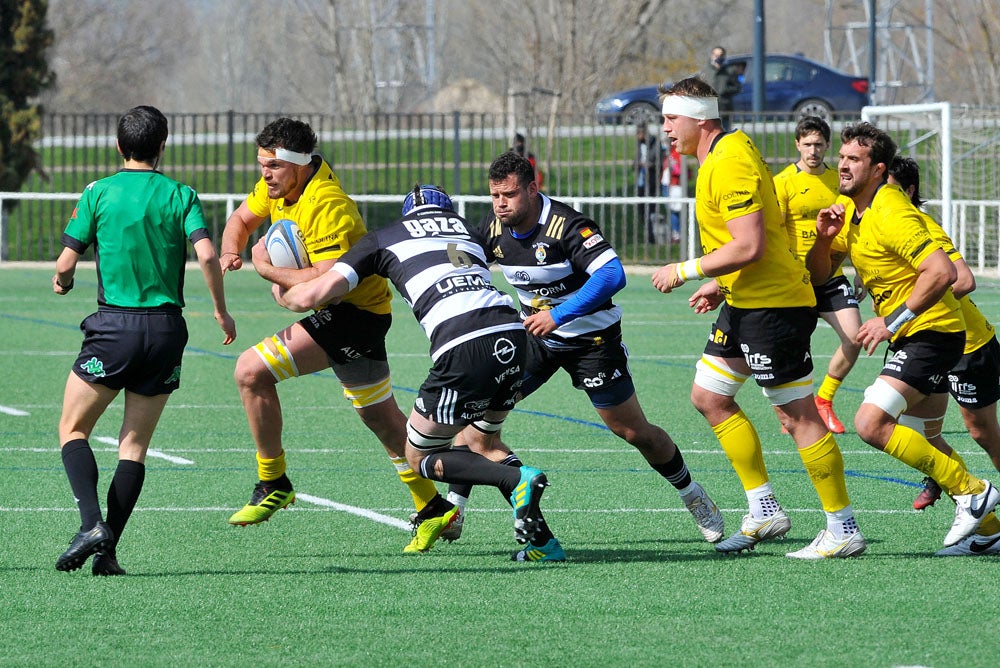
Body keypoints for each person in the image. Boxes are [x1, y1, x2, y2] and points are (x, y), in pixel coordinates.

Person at [439, 150, 725, 557]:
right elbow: (465, 263)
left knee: (632, 431)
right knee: (477, 412)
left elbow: (613, 275)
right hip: (535, 341)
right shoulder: (493, 227)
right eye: (495, 196)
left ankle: (692, 493)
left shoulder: (567, 225)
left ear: (533, 189)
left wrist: (559, 314)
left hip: (593, 343)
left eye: (510, 195)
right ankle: (456, 509)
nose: (501, 204)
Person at [257, 184, 563, 560]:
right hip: (515, 339)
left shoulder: (383, 238)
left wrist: (271, 275)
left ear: (407, 215)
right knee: (485, 443)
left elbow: (309, 298)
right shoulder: (468, 229)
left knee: (419, 456)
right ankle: (543, 544)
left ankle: (518, 478)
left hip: (463, 345)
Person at [652, 77, 865, 560]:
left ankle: (843, 527)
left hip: (775, 306)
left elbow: (750, 244)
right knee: (709, 396)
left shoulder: (728, 163)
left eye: (671, 118)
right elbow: (757, 238)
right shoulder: (724, 150)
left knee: (797, 418)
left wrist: (685, 270)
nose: (665, 128)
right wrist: (720, 282)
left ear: (699, 119)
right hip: (747, 300)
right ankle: (764, 509)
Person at [219, 118, 443, 538]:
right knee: (381, 419)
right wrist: (232, 250)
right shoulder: (280, 186)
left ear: (297, 165)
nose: (264, 174)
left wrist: (265, 268)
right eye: (260, 164)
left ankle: (273, 482)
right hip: (358, 316)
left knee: (250, 372)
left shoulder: (328, 202)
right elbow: (241, 219)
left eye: (272, 165)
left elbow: (325, 285)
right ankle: (432, 507)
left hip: (355, 316)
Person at [53, 105, 237, 576]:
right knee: (132, 446)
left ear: (119, 146)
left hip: (115, 328)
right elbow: (208, 254)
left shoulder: (98, 192)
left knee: (73, 430)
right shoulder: (182, 194)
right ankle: (108, 554)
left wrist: (63, 282)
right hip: (166, 331)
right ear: (162, 145)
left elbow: (66, 262)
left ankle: (91, 524)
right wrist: (219, 308)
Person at [806, 122, 1000, 550]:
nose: (841, 165)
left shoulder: (893, 210)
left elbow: (948, 274)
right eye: (842, 157)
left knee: (870, 423)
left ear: (878, 170)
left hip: (935, 332)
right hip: (917, 335)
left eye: (853, 160)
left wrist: (889, 320)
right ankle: (990, 529)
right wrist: (823, 240)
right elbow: (820, 273)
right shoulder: (849, 208)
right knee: (926, 437)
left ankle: (974, 492)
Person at [886, 157, 1000, 556]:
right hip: (927, 344)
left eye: (888, 184)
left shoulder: (923, 226)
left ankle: (979, 504)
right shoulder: (878, 225)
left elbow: (963, 279)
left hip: (967, 345)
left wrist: (917, 304)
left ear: (907, 191)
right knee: (917, 433)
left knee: (984, 434)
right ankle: (984, 521)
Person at [773, 116, 862, 434]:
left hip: (831, 275)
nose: (813, 150)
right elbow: (774, 232)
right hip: (794, 279)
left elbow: (853, 226)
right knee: (789, 348)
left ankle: (824, 401)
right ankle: (792, 412)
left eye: (819, 144)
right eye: (807, 144)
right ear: (797, 144)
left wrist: (862, 272)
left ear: (828, 146)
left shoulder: (840, 182)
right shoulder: (783, 182)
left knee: (855, 338)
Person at [634, 125, 661, 243]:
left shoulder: (654, 143)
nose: (638, 137)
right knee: (642, 208)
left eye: (639, 134)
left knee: (650, 209)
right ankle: (648, 234)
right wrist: (637, 164)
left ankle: (653, 236)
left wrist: (650, 164)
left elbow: (659, 159)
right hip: (641, 178)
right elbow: (635, 159)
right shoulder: (639, 144)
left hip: (651, 179)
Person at [702, 46, 741, 126]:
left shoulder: (730, 70)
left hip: (724, 108)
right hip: (709, 109)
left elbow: (737, 87)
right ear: (712, 56)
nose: (718, 58)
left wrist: (725, 90)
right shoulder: (706, 71)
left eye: (720, 55)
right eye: (716, 55)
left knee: (725, 132)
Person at [660, 138, 683, 243]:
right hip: (666, 184)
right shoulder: (666, 154)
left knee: (675, 211)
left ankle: (677, 233)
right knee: (670, 210)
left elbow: (681, 169)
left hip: (675, 185)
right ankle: (674, 232)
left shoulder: (677, 153)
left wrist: (673, 167)